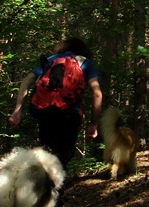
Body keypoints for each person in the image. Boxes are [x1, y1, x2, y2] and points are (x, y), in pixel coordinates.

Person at [7, 37, 103, 171]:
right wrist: (93, 124)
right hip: (69, 114)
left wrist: (17, 110)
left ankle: (44, 188)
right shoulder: (85, 62)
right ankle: (55, 188)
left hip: (45, 112)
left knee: (46, 154)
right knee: (62, 156)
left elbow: (26, 81)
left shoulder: (51, 59)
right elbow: (97, 93)